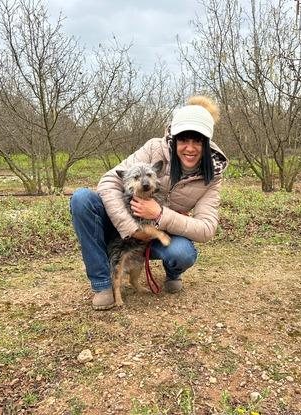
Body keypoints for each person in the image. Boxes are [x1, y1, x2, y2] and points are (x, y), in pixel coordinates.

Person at [70, 95, 228, 310]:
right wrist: (131, 229)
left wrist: (160, 215)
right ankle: (102, 284)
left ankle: (173, 272)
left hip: (161, 233)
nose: (190, 148)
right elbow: (109, 181)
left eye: (198, 140)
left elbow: (207, 229)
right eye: (184, 139)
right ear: (174, 139)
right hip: (125, 228)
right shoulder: (154, 148)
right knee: (82, 199)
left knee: (182, 253)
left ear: (206, 142)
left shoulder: (212, 175)